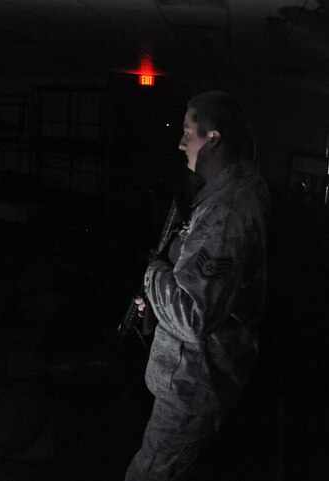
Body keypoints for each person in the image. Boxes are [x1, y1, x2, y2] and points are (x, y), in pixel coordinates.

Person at [125, 91, 270, 481]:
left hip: (194, 383)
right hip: (203, 375)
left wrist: (154, 273)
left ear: (214, 139)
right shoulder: (225, 196)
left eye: (188, 132)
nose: (181, 142)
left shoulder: (226, 211)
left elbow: (192, 315)